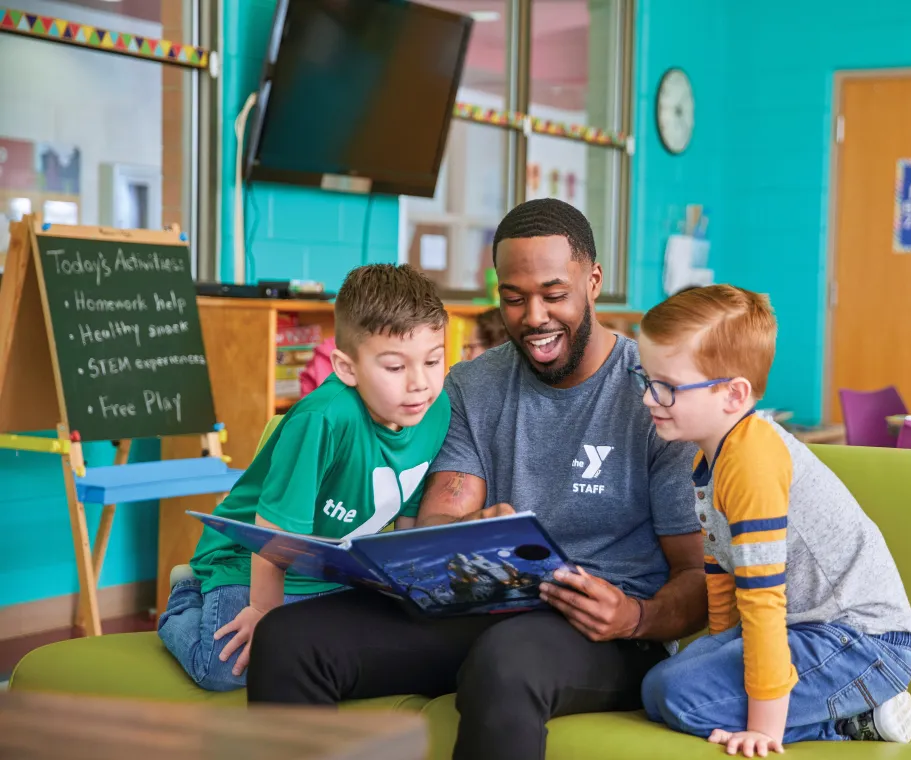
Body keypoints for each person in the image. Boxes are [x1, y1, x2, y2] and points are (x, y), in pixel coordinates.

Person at [245, 198, 706, 760]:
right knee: (290, 640)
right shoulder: (472, 385)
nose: (533, 317)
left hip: (607, 631)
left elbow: (696, 575)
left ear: (593, 282)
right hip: (487, 606)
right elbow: (441, 514)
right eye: (514, 299)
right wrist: (470, 531)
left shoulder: (655, 396)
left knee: (506, 659)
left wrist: (635, 617)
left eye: (553, 295)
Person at [637, 285, 911, 756]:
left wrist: (763, 729)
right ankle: (830, 710)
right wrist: (718, 649)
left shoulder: (752, 461)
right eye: (646, 378)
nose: (649, 398)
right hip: (799, 630)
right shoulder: (708, 458)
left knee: (676, 694)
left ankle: (855, 721)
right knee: (660, 685)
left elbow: (762, 597)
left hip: (862, 644)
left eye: (666, 386)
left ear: (734, 394)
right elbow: (722, 574)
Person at [158, 264, 452, 691]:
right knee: (224, 669)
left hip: (327, 574)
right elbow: (271, 533)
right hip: (248, 561)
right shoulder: (323, 419)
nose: (420, 384)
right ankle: (187, 595)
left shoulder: (434, 410)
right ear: (346, 368)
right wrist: (263, 612)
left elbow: (406, 509)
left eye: (433, 360)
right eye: (394, 368)